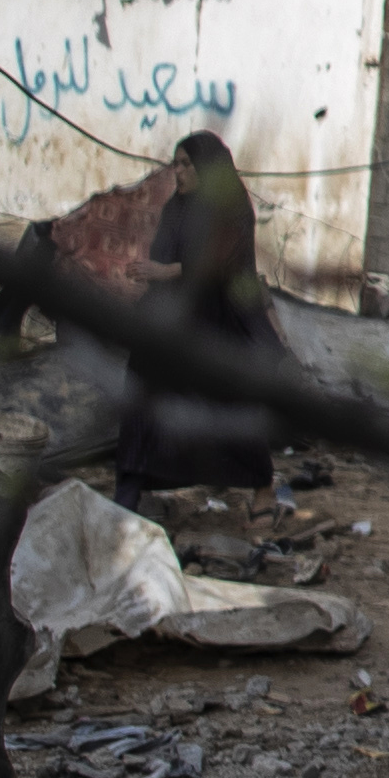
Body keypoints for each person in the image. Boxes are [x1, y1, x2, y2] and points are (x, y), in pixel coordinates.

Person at [114, 131, 285, 511]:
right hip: (173, 324)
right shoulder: (177, 207)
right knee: (143, 395)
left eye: (186, 164)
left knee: (225, 406)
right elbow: (162, 255)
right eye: (175, 164)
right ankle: (129, 486)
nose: (178, 172)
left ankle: (261, 486)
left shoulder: (232, 210)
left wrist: (166, 272)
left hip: (220, 323)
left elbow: (219, 266)